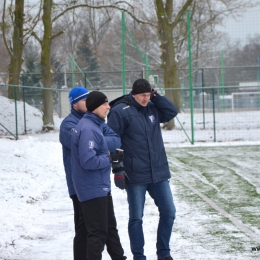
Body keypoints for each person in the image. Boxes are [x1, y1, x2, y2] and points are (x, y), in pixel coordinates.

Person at [107, 78, 178, 260]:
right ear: (133, 94)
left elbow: (171, 111)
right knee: (136, 218)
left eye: (148, 95)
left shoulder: (153, 107)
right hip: (135, 175)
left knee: (169, 212)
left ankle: (164, 253)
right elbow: (113, 142)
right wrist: (118, 169)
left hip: (159, 173)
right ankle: (139, 256)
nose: (146, 99)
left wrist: (157, 96)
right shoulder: (120, 112)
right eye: (142, 96)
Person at [71, 91, 127, 260]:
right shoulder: (88, 128)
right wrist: (110, 158)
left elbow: (114, 139)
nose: (108, 107)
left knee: (110, 229)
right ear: (95, 106)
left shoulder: (94, 124)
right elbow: (88, 161)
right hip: (92, 188)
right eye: (104, 104)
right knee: (98, 234)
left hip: (100, 187)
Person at [59, 86, 89, 260]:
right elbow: (83, 145)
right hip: (78, 185)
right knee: (83, 227)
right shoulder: (68, 124)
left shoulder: (91, 120)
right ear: (74, 104)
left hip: (92, 183)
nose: (88, 103)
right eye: (84, 100)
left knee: (94, 227)